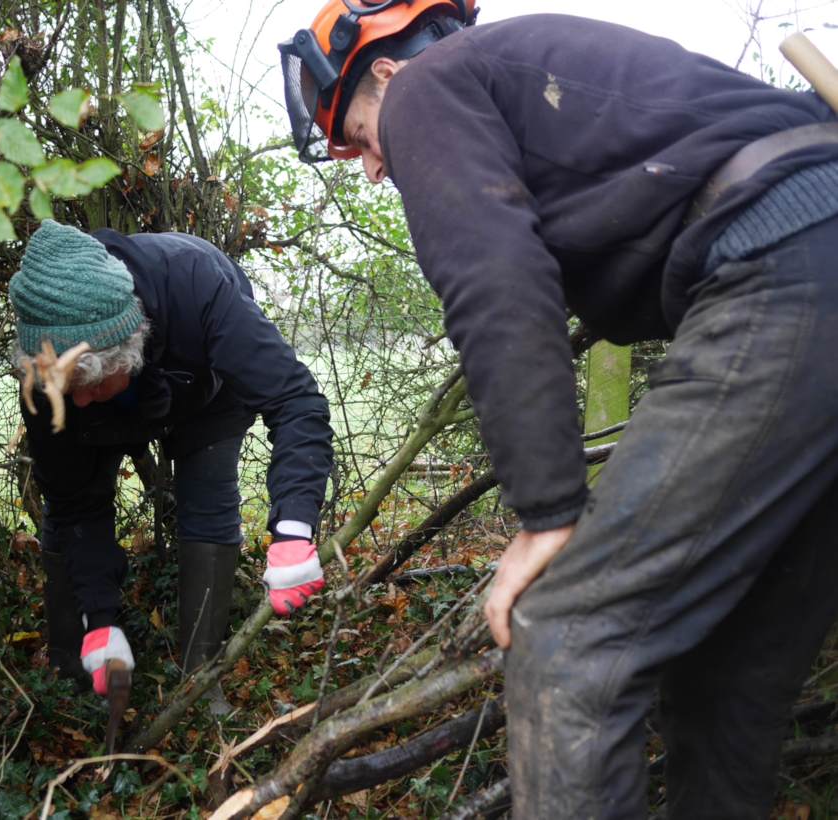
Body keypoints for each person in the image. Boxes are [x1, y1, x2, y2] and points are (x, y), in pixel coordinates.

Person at [281, 2, 838, 816]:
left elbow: (495, 280)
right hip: (814, 268)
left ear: (390, 74)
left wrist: (547, 512)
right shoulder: (532, 75)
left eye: (360, 135)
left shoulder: (429, 87)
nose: (371, 164)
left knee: (569, 644)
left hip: (785, 274)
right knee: (727, 678)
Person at [9, 220, 333, 710]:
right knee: (69, 504)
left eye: (91, 384)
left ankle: (200, 680)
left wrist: (293, 529)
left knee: (207, 499)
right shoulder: (54, 389)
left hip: (206, 389)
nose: (80, 401)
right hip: (135, 393)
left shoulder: (197, 286)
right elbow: (74, 504)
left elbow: (295, 400)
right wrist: (100, 620)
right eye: (65, 388)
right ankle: (74, 666)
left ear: (130, 346)